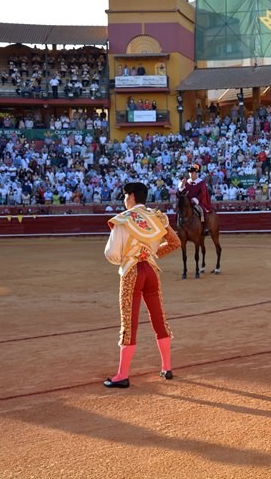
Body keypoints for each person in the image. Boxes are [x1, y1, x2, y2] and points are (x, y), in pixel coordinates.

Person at [103, 181, 181, 388]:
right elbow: (175, 243)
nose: (124, 200)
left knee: (129, 322)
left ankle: (122, 375)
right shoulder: (157, 217)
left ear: (131, 197)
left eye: (125, 196)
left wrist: (128, 258)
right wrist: (151, 254)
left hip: (132, 272)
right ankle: (167, 367)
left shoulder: (124, 220)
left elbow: (111, 254)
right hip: (151, 271)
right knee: (158, 318)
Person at [178, 163, 213, 234]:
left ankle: (205, 227)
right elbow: (180, 193)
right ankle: (179, 227)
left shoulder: (201, 182)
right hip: (187, 202)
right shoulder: (186, 182)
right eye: (190, 172)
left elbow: (203, 194)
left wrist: (196, 199)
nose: (191, 174)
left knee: (202, 210)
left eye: (192, 172)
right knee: (179, 211)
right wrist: (182, 184)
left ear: (196, 173)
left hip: (197, 202)